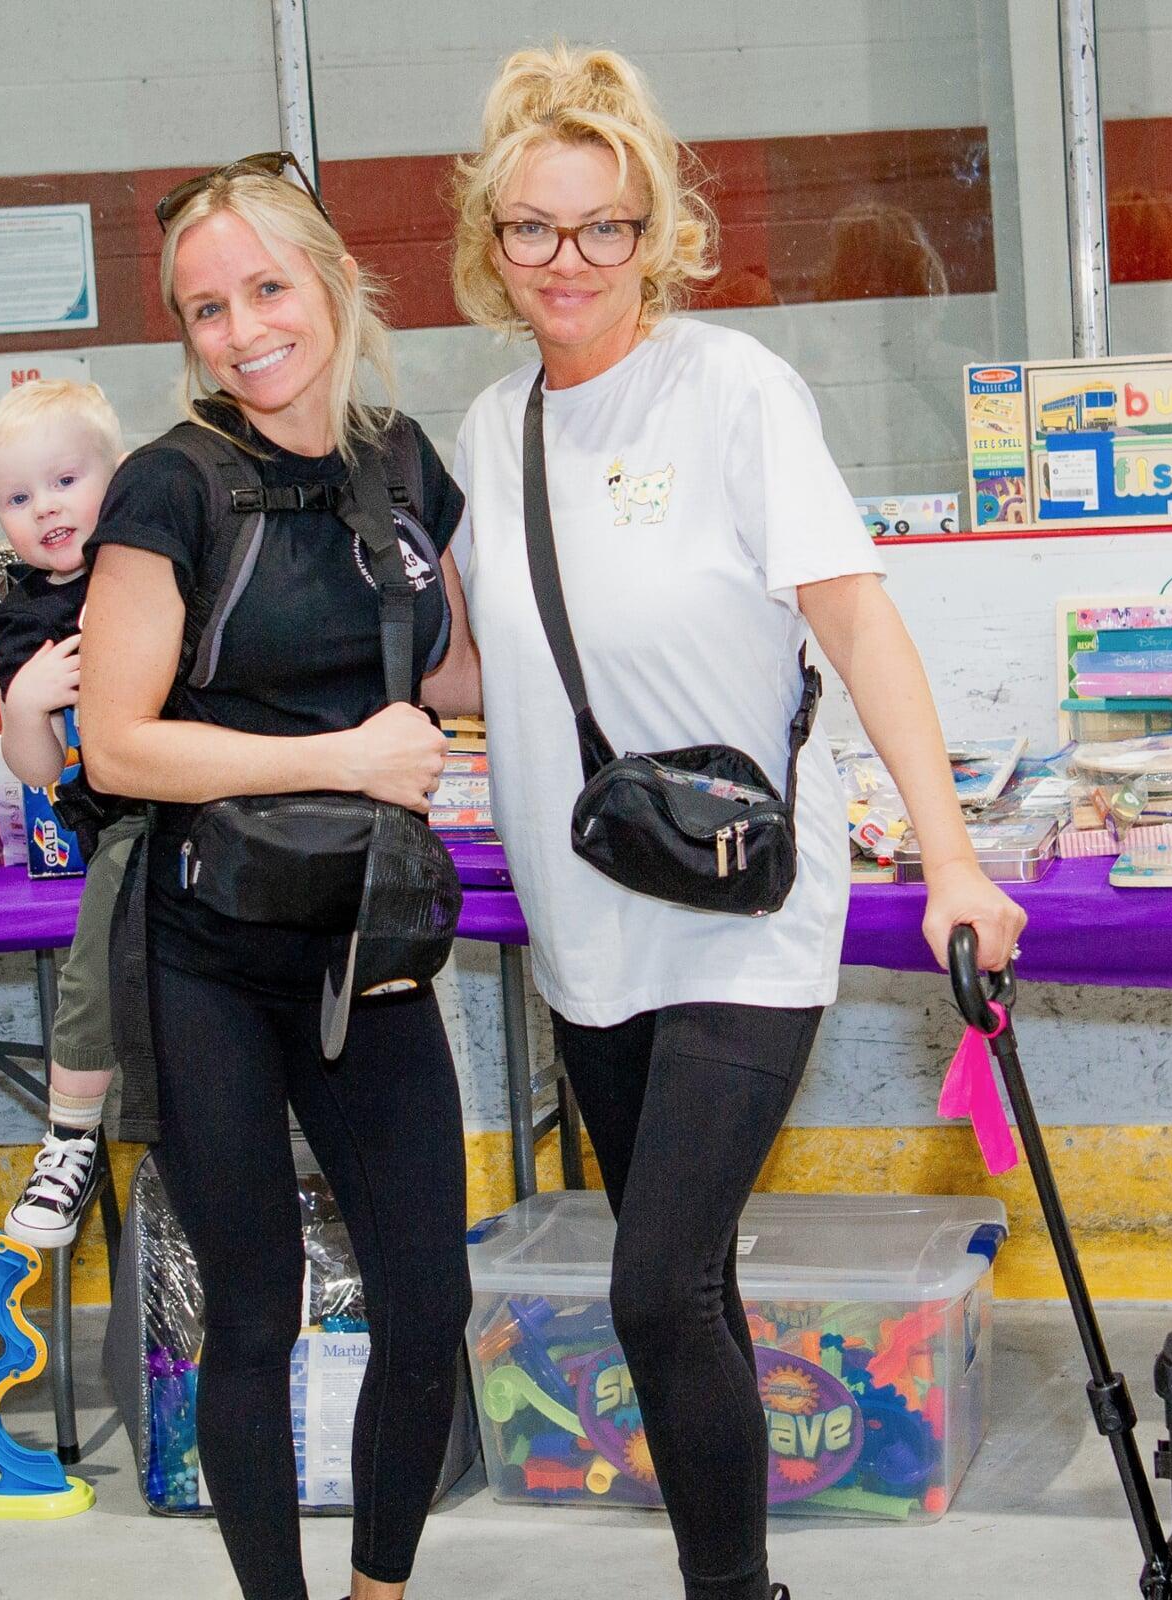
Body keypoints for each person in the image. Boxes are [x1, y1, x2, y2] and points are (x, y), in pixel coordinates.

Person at [448, 44, 1027, 1600]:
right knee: (683, 1285)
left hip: (746, 913)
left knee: (648, 1288)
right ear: (491, 245)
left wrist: (954, 859)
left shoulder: (735, 393)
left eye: (604, 227)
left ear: (657, 235)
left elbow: (861, 624)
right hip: (589, 929)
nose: (569, 262)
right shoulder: (487, 436)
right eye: (534, 230)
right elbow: (464, 665)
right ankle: (739, 1577)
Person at [78, 153, 477, 1600]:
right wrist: (345, 762)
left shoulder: (402, 463)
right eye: (205, 309)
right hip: (203, 958)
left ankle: (380, 1589)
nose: (243, 330)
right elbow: (121, 748)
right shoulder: (167, 487)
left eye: (266, 289)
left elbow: (465, 669)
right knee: (254, 1316)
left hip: (361, 943)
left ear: (333, 281)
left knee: (430, 1301)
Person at [0, 378, 135, 1248]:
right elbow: (38, 772)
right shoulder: (26, 612)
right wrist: (25, 706)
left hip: (219, 788)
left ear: (119, 475)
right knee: (96, 952)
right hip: (124, 817)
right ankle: (71, 1137)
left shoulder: (154, 556)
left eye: (65, 480)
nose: (44, 507)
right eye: (17, 496)